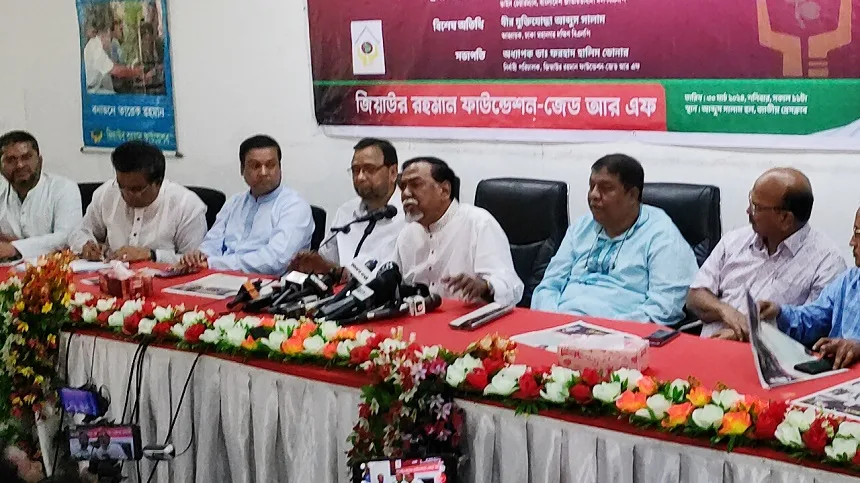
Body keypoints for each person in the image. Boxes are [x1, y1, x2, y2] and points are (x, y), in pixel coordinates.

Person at [531, 154, 697, 325]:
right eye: (591, 186)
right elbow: (548, 286)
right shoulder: (582, 227)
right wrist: (553, 321)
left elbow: (665, 308)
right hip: (561, 325)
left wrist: (606, 329)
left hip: (619, 332)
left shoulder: (661, 234)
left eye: (605, 188)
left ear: (632, 195)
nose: (594, 195)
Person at [687, 168, 845, 340]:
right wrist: (725, 311)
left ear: (785, 219)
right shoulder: (734, 241)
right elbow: (694, 297)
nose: (748, 211)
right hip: (706, 344)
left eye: (756, 207)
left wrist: (743, 334)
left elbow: (813, 328)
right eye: (751, 200)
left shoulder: (827, 263)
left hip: (763, 353)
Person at [394, 157, 523, 306]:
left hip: (470, 317)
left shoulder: (479, 223)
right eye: (402, 186)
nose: (406, 193)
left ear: (444, 190)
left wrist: (485, 286)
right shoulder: (407, 234)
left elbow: (511, 286)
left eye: (415, 185)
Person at [177, 135, 314, 275]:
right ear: (242, 169)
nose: (263, 172)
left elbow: (276, 260)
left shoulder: (294, 206)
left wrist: (213, 263)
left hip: (268, 283)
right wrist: (199, 256)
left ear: (280, 167)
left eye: (270, 165)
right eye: (255, 166)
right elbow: (212, 242)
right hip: (220, 276)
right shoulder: (234, 202)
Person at [69, 140, 207, 263]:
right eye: (121, 186)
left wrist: (152, 255)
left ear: (158, 183)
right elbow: (79, 233)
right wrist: (86, 246)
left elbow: (197, 262)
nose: (126, 194)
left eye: (136, 189)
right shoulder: (107, 193)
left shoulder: (186, 205)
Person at [759, 207, 860, 368]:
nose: (851, 242)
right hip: (837, 375)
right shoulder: (849, 281)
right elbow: (813, 318)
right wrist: (778, 313)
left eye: (858, 233)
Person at [290, 138, 404, 275]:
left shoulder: (408, 218)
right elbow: (326, 259)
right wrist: (311, 264)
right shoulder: (346, 212)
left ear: (393, 172)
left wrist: (338, 272)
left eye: (369, 169)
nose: (360, 177)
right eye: (355, 170)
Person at [0, 131, 82, 259]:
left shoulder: (63, 188)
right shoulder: (2, 197)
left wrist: (14, 248)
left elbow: (67, 237)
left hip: (56, 269)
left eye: (26, 157)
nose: (20, 165)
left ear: (40, 160)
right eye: (11, 160)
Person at [83, 16, 148, 93]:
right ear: (106, 33)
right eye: (110, 38)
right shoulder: (96, 49)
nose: (110, 42)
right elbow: (116, 71)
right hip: (91, 90)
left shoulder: (96, 46)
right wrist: (135, 72)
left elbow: (113, 64)